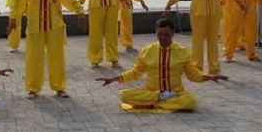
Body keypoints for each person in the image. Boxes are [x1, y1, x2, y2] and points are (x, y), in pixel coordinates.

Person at [96, 18, 228, 112]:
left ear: (173, 34)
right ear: (156, 33)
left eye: (167, 35)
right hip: (151, 92)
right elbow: (135, 73)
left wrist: (209, 77)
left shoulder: (182, 52)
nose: (163, 38)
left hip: (175, 93)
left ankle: (157, 101)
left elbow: (193, 76)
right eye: (160, 34)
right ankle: (160, 98)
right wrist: (114, 79)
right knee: (123, 95)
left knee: (190, 102)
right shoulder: (147, 51)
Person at [8, 0, 86, 99]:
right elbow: (19, 0)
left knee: (57, 57)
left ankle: (59, 87)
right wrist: (13, 18)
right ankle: (33, 88)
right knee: (33, 57)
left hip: (55, 25)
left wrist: (80, 13)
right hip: (35, 25)